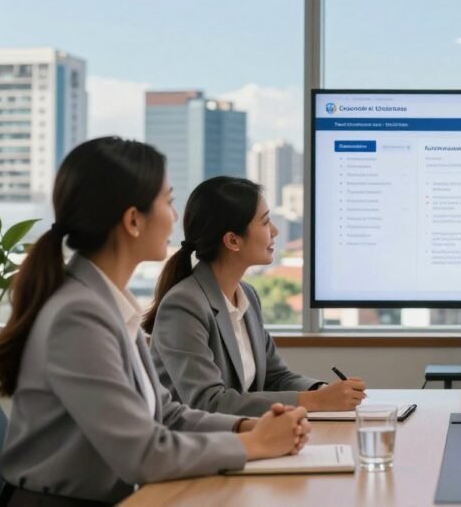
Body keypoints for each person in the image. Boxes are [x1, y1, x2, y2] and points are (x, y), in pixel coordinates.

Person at [0, 138, 310, 507]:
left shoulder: (107, 303)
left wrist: (245, 426)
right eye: (169, 201)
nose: (175, 216)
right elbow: (142, 454)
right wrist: (252, 444)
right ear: (133, 220)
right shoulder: (77, 316)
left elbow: (166, 414)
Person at [145, 176, 367, 417]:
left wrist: (322, 390)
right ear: (233, 240)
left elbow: (274, 377)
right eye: (265, 222)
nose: (275, 230)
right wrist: (315, 400)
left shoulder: (247, 295)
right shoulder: (184, 305)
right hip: (193, 447)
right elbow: (209, 403)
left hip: (237, 438)